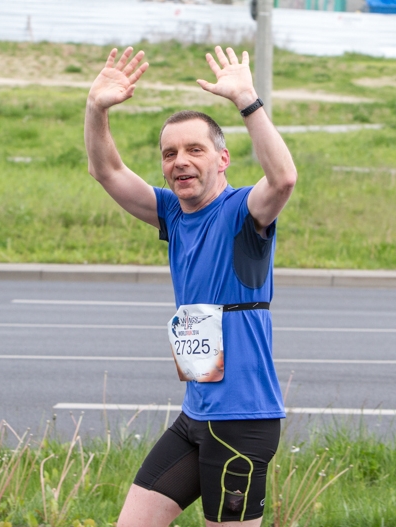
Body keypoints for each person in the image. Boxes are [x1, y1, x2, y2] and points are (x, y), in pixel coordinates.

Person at [84, 44, 297, 527]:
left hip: (242, 420)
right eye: (170, 153)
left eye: (194, 150)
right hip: (195, 416)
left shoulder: (245, 212)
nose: (180, 161)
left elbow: (283, 179)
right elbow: (107, 171)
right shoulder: (173, 215)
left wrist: (247, 101)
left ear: (222, 159)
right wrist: (96, 109)